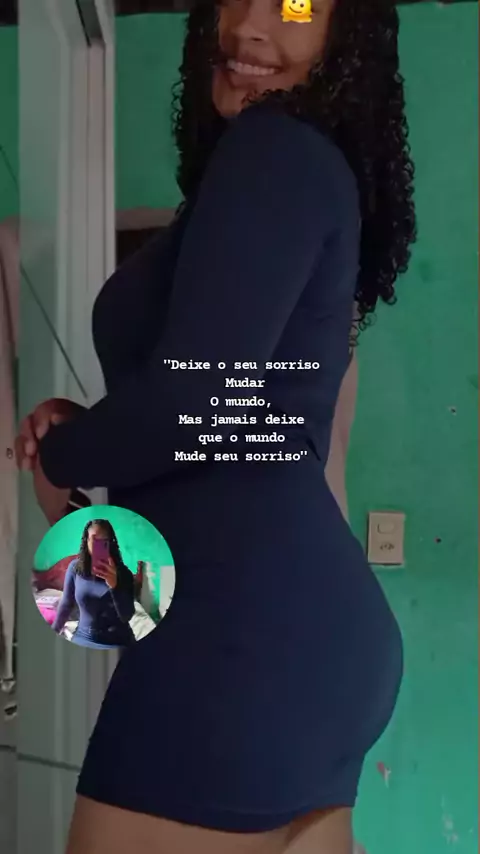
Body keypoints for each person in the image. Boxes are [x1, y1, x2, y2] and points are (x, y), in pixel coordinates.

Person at [15, 0, 416, 850]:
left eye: (297, 4)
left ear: (348, 36)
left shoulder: (276, 150)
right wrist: (91, 449)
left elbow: (191, 404)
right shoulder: (302, 172)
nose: (250, 27)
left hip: (244, 641)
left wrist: (67, 452)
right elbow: (215, 442)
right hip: (293, 637)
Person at [51, 519, 135, 650]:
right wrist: (52, 633)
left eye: (104, 540)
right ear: (87, 541)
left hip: (116, 641)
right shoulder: (75, 569)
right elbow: (66, 604)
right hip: (83, 637)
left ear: (110, 543)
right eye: (95, 539)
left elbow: (127, 616)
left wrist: (114, 586)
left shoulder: (124, 574)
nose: (98, 545)